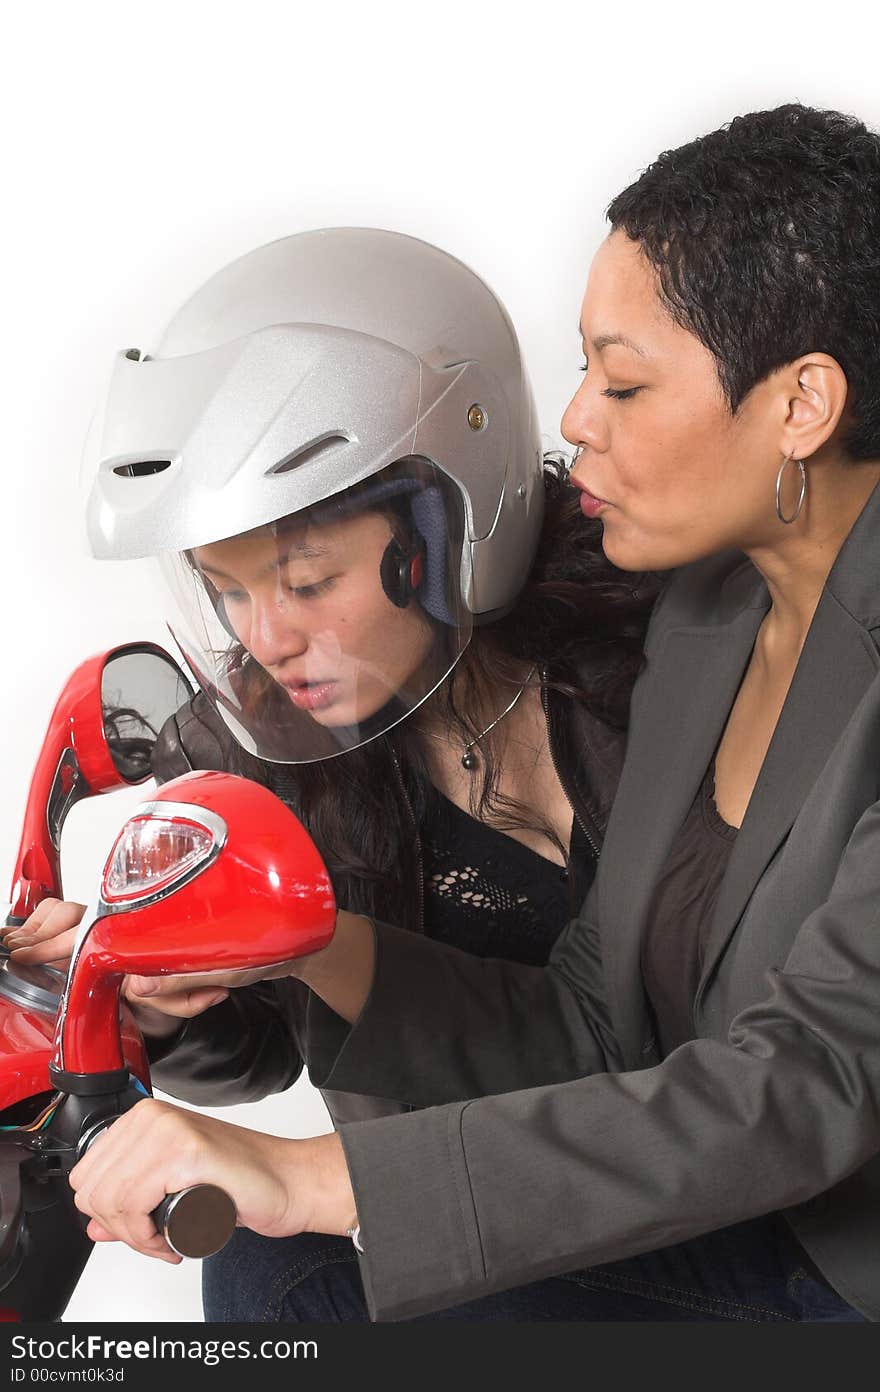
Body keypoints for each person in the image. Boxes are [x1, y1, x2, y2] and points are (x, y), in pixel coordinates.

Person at [22, 100, 880, 1323]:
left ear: (801, 405)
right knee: (282, 1269)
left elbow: (812, 1083)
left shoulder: (649, 635)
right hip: (733, 1228)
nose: (575, 418)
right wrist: (294, 944)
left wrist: (318, 1174)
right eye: (585, 371)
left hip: (844, 1270)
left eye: (623, 383)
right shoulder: (709, 629)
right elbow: (590, 1025)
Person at [6, 228, 658, 1319]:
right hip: (490, 1214)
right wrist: (155, 993)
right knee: (263, 1267)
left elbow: (689, 1060)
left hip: (706, 1198)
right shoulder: (250, 750)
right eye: (228, 591)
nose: (266, 639)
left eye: (307, 582)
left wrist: (317, 950)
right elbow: (256, 1051)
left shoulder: (670, 652)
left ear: (446, 523)